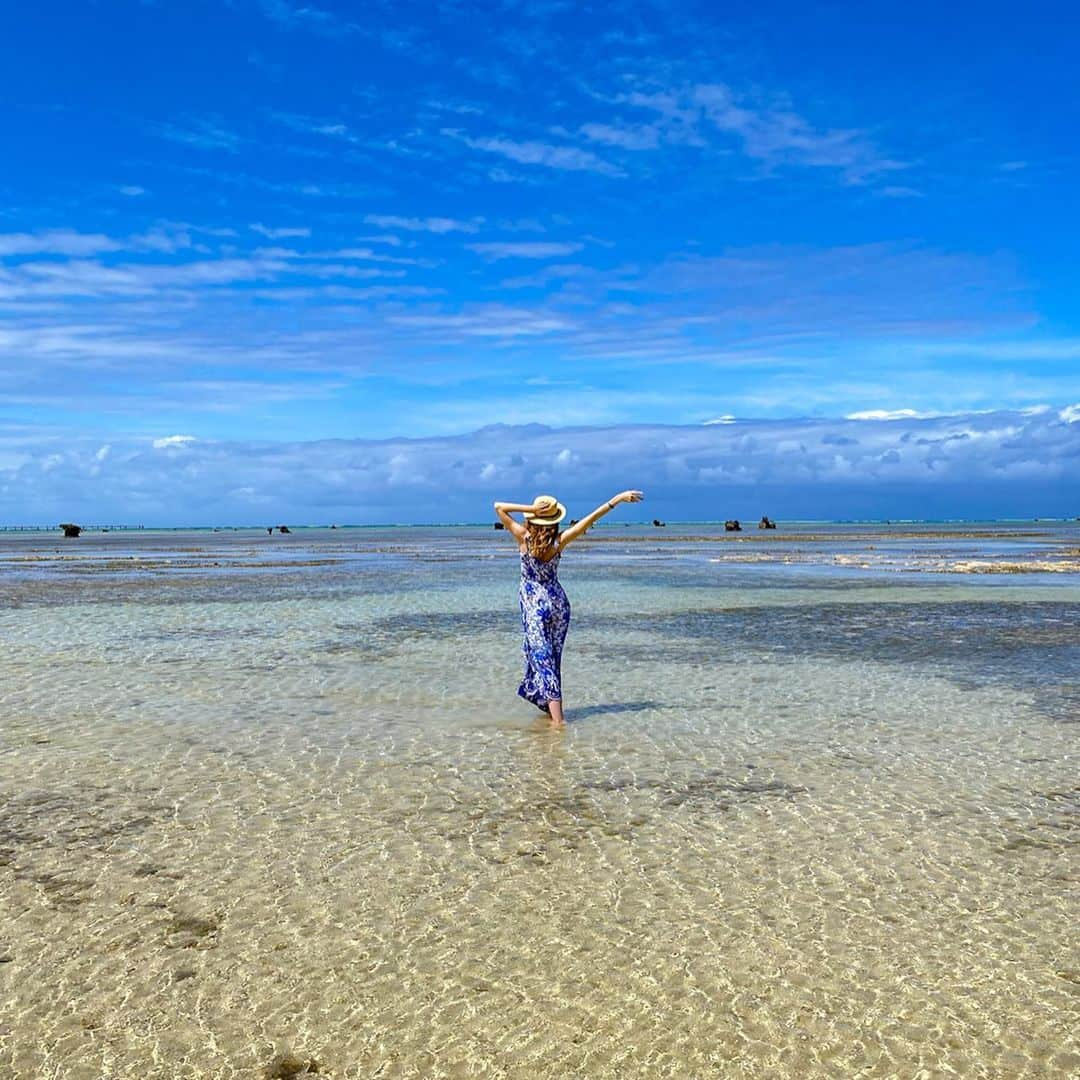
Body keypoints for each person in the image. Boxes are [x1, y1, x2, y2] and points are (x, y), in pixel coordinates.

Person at [493, 490, 644, 726]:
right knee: (552, 658)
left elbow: (498, 507)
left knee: (542, 659)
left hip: (535, 607)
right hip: (558, 604)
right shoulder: (558, 542)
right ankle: (552, 713)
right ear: (554, 520)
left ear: (533, 519)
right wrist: (617, 499)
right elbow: (590, 519)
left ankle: (558, 721)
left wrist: (531, 511)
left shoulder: (523, 537)